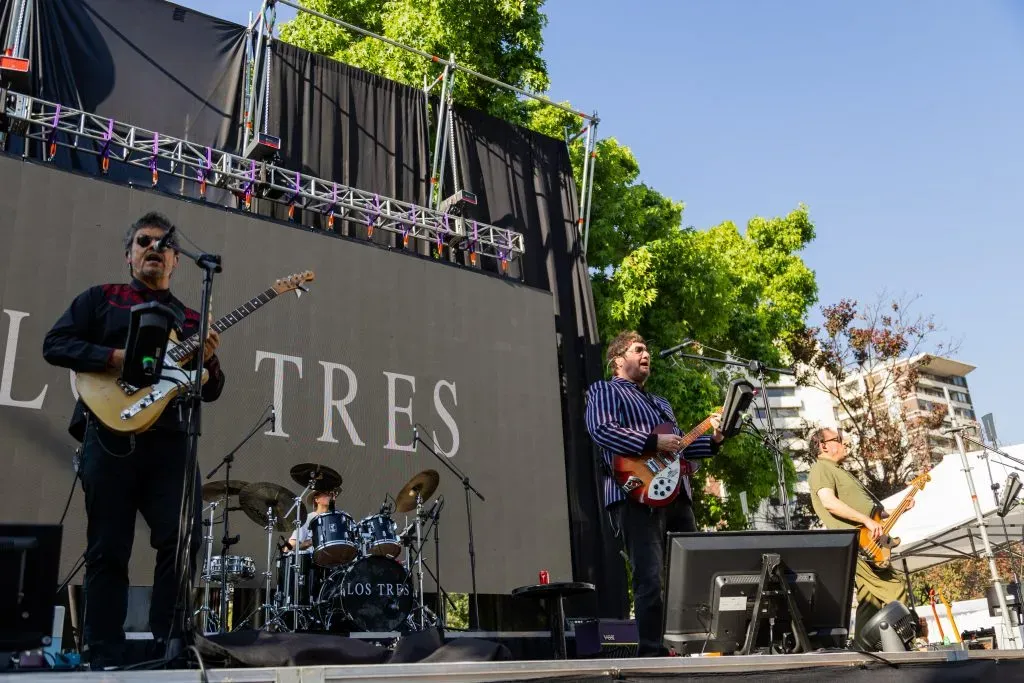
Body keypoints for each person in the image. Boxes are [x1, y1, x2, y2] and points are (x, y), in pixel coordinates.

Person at [42, 211, 225, 668]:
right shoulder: (102, 299)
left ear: (176, 261)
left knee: (181, 541)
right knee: (108, 545)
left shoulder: (188, 316)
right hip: (109, 438)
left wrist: (210, 363)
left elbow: (211, 389)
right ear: (130, 253)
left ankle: (171, 645)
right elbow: (55, 344)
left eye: (164, 244)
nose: (155, 249)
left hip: (171, 444)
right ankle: (103, 649)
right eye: (145, 241)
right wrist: (114, 357)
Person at [585, 331, 723, 656]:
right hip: (635, 494)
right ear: (619, 360)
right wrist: (652, 442)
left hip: (677, 496)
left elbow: (680, 451)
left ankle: (690, 643)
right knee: (650, 578)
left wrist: (714, 440)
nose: (646, 354)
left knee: (693, 571)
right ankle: (651, 652)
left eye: (647, 349)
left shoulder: (662, 404)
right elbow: (602, 429)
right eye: (638, 349)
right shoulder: (604, 390)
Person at [807, 427, 913, 641]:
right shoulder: (821, 469)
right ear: (823, 445)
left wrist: (895, 511)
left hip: (866, 542)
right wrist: (865, 520)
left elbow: (868, 509)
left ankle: (863, 649)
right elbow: (829, 503)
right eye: (838, 439)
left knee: (869, 598)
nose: (844, 442)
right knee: (895, 586)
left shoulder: (839, 470)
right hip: (857, 543)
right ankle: (904, 641)